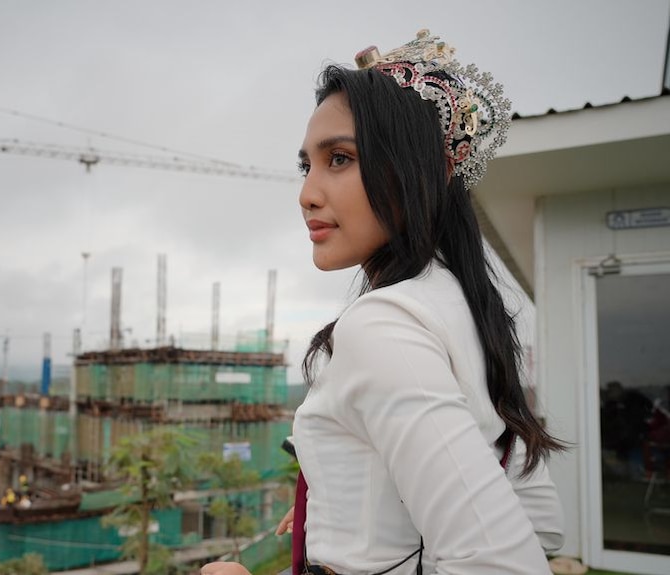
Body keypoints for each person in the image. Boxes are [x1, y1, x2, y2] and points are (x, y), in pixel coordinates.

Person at [202, 29, 565, 575]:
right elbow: (541, 523)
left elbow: (502, 562)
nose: (307, 193)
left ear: (428, 170)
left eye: (341, 158)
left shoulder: (384, 326)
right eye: (308, 165)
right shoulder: (467, 311)